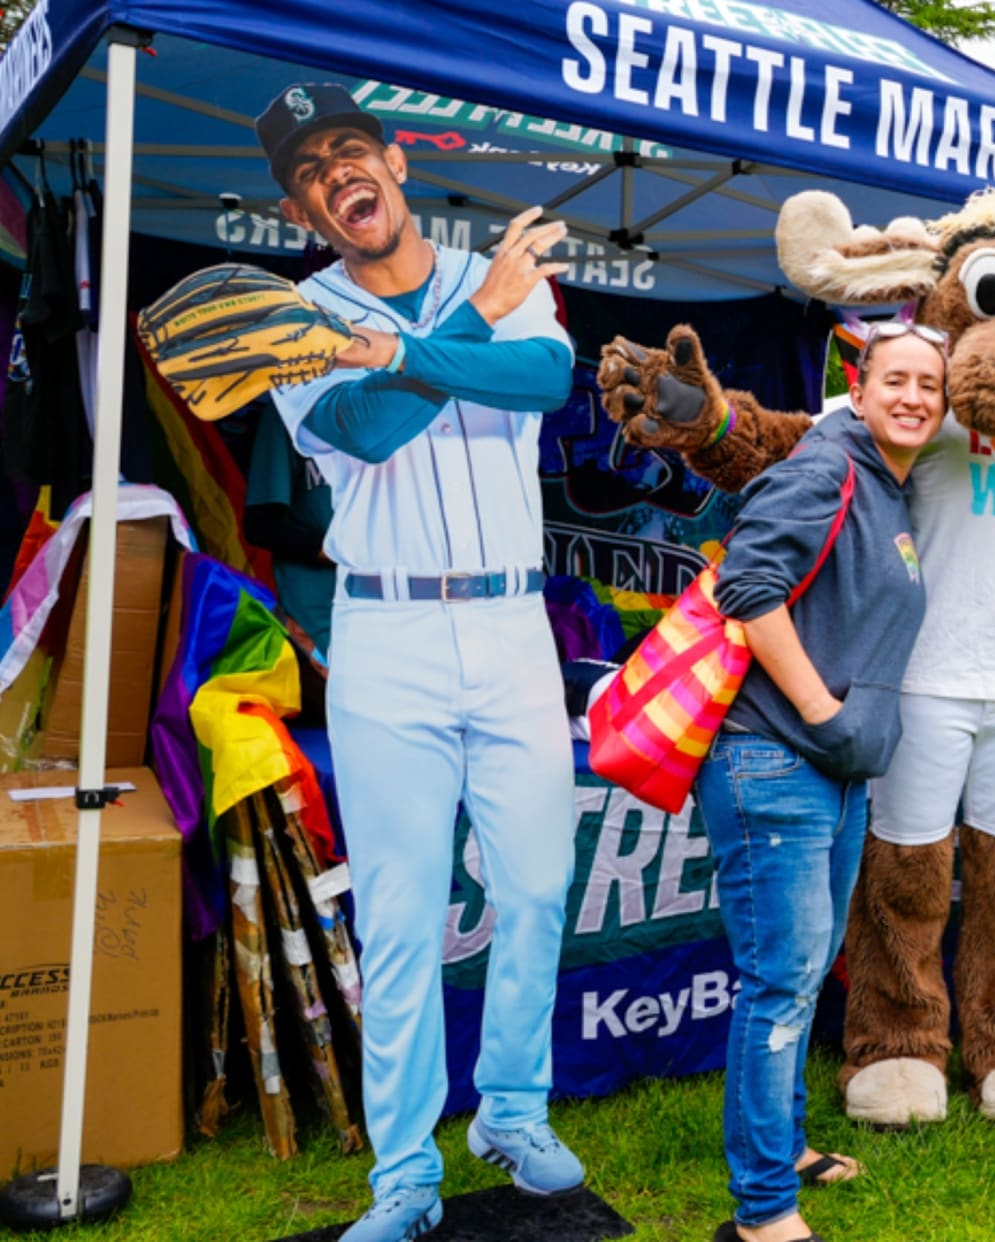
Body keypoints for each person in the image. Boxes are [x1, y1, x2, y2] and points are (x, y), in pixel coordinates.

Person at [259, 84, 581, 1241]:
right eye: (309, 170)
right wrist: (477, 323)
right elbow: (366, 431)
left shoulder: (502, 274)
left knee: (537, 888)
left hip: (508, 627)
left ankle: (510, 1109)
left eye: (349, 149)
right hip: (384, 631)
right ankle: (404, 1174)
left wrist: (472, 322)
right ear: (304, 206)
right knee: (401, 917)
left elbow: (546, 384)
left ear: (394, 161)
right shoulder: (295, 313)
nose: (337, 173)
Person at [697, 325, 944, 1242]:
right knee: (779, 985)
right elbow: (749, 587)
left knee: (798, 981)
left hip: (830, 773)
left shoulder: (884, 480)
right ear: (860, 384)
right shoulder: (823, 467)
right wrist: (820, 712)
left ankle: (786, 1147)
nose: (915, 397)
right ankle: (763, 1212)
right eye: (897, 380)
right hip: (776, 762)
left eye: (930, 384)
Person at [244, 402, 336, 657]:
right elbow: (261, 524)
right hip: (318, 615)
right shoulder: (291, 406)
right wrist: (337, 550)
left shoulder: (406, 406)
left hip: (401, 610)